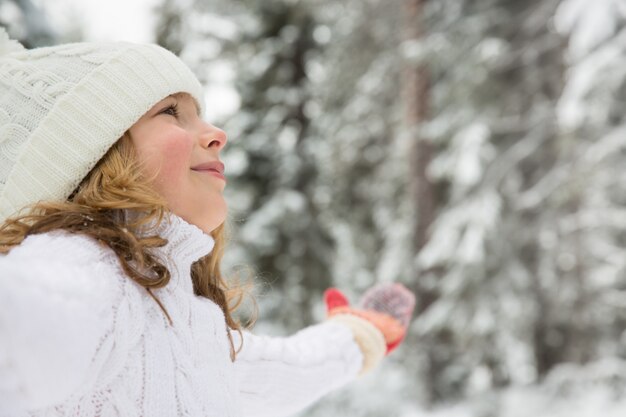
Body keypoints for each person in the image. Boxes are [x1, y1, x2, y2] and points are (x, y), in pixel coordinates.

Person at [0, 28, 415, 417]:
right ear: (95, 154)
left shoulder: (177, 310)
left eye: (200, 115)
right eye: (171, 112)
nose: (217, 133)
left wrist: (357, 335)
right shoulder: (88, 273)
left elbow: (283, 372)